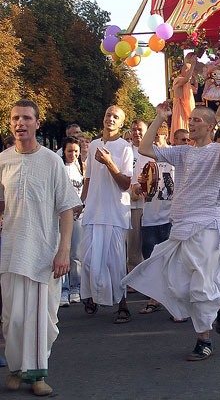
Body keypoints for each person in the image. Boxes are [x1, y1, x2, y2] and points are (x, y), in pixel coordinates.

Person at [123, 98, 220, 360]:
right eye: (191, 119)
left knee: (201, 286)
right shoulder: (182, 152)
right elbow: (144, 148)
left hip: (207, 225)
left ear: (210, 127)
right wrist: (160, 118)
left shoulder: (218, 150)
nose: (191, 123)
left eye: (197, 120)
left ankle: (204, 341)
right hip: (182, 225)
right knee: (185, 284)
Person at [0, 99, 81, 396]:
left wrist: (64, 250)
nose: (20, 123)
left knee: (40, 318)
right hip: (10, 250)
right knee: (12, 317)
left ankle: (38, 376)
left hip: (43, 252)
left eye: (26, 118)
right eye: (14, 118)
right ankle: (15, 369)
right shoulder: (3, 160)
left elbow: (67, 209)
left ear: (37, 123)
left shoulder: (51, 161)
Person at [80, 106, 134, 323]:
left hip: (115, 213)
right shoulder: (93, 144)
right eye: (108, 115)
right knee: (87, 260)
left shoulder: (125, 148)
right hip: (93, 210)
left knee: (115, 263)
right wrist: (80, 202)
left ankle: (123, 305)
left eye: (116, 117)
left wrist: (109, 162)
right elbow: (89, 179)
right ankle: (93, 294)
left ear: (121, 123)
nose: (110, 119)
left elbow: (125, 184)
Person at [134, 123, 175, 315]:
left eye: (158, 138)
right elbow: (134, 191)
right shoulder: (143, 158)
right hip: (149, 217)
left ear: (165, 137)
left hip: (170, 217)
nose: (155, 143)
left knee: (170, 261)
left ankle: (171, 300)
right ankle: (154, 298)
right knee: (150, 260)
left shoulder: (174, 155)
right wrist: (141, 185)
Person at [59, 137, 84, 307]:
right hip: (61, 216)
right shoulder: (59, 168)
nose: (73, 154)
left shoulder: (81, 168)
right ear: (63, 151)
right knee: (62, 253)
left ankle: (76, 287)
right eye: (69, 151)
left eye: (76, 151)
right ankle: (63, 289)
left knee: (76, 255)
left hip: (78, 217)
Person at [128, 119, 148, 274]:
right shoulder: (126, 150)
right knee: (133, 243)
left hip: (148, 205)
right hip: (129, 204)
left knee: (147, 243)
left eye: (140, 129)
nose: (136, 133)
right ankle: (133, 276)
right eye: (134, 130)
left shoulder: (150, 150)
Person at [170, 53, 197, 145]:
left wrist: (195, 79)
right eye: (187, 69)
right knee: (181, 126)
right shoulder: (178, 80)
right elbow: (186, 79)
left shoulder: (187, 84)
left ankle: (190, 142)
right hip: (180, 107)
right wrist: (193, 65)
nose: (189, 71)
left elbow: (195, 90)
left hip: (188, 110)